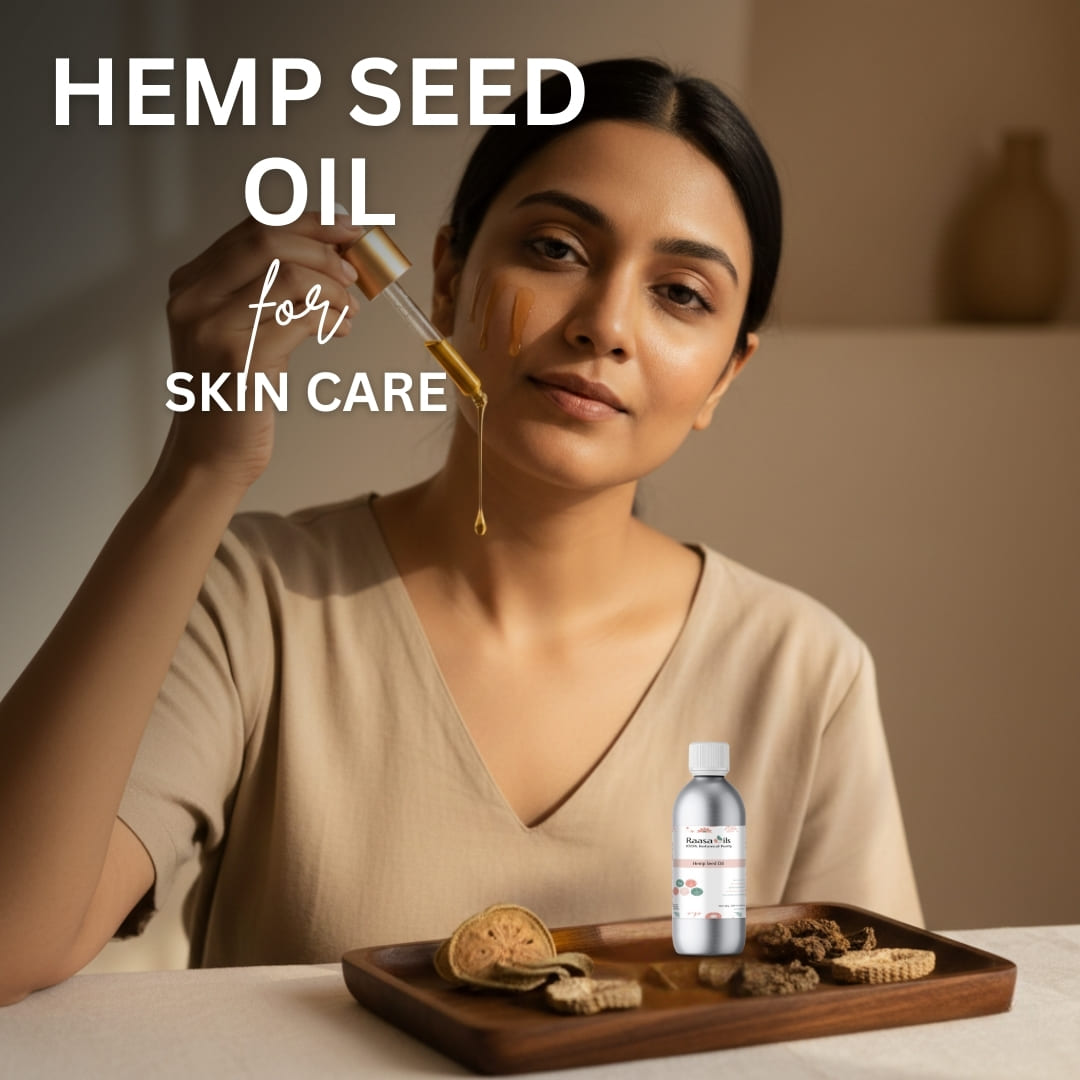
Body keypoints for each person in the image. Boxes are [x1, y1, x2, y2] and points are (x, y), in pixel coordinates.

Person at [0, 58, 921, 1002]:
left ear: (726, 374)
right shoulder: (253, 603)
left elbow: (883, 1036)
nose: (605, 324)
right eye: (558, 249)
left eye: (682, 293)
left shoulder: (805, 673)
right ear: (445, 279)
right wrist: (199, 467)